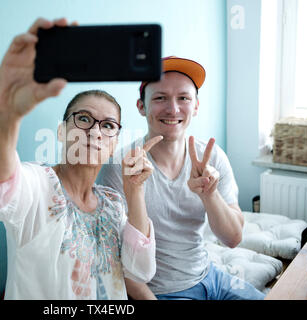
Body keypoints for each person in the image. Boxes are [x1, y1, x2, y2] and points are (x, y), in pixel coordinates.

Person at [0, 17, 163, 300]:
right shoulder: (38, 186)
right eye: (83, 118)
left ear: (114, 144)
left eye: (108, 125)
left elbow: (140, 272)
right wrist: (3, 113)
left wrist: (134, 191)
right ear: (62, 132)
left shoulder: (113, 204)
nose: (95, 131)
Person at [98, 56, 266, 300]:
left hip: (211, 277)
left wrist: (210, 195)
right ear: (141, 106)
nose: (173, 109)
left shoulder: (212, 157)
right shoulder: (120, 168)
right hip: (162, 292)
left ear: (196, 106)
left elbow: (233, 238)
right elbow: (113, 260)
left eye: (183, 98)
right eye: (160, 98)